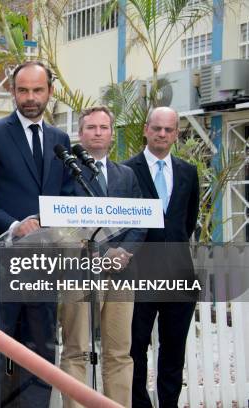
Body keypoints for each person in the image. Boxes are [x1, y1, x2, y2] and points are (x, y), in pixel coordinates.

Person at [0, 60, 74, 408]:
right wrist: (13, 224)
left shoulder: (60, 139)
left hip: (43, 264)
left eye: (37, 90)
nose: (30, 98)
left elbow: (67, 195)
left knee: (41, 353)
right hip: (0, 263)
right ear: (12, 92)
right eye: (23, 90)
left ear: (50, 93)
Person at [58, 106, 145, 407]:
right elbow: (61, 222)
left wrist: (125, 252)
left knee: (120, 352)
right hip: (81, 269)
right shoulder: (67, 174)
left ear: (111, 133)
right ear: (80, 134)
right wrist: (104, 252)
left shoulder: (127, 175)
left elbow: (139, 220)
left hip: (122, 272)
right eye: (91, 127)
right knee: (76, 349)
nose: (98, 133)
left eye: (104, 127)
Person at [123, 106, 199, 407]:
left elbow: (187, 221)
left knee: (173, 349)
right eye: (157, 128)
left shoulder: (188, 172)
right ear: (146, 129)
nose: (162, 134)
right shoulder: (127, 171)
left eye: (169, 130)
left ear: (176, 134)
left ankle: (169, 404)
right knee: (135, 347)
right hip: (138, 273)